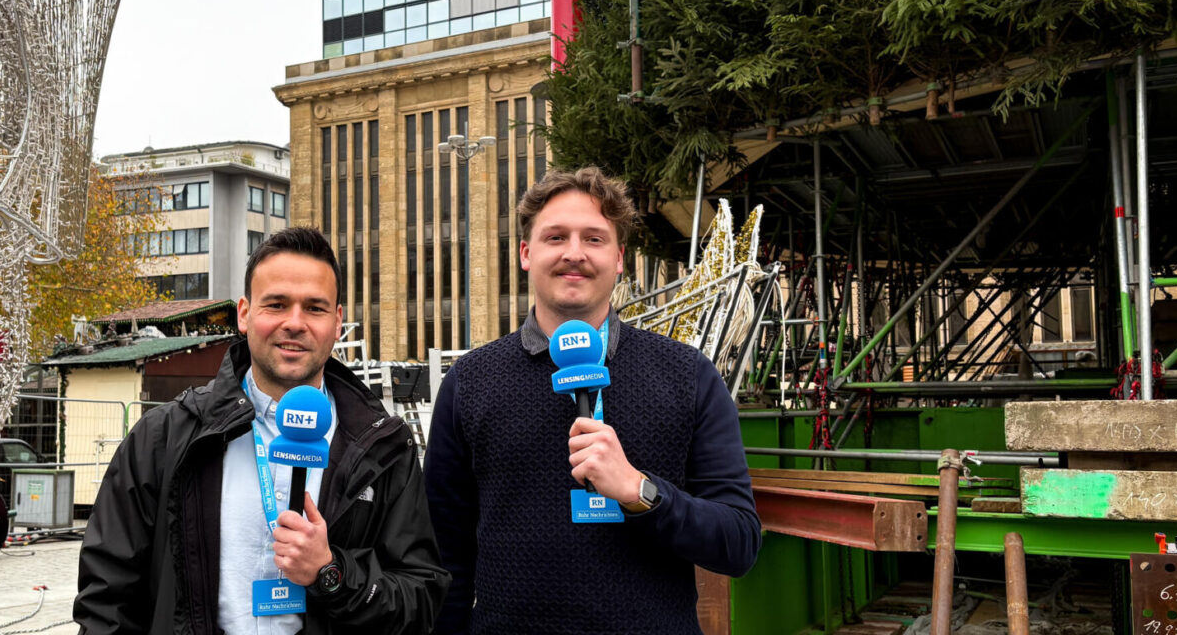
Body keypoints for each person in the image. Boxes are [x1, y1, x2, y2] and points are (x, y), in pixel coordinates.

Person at [424, 167, 761, 635]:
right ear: (526, 253)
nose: (574, 253)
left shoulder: (688, 374)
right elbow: (445, 556)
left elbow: (739, 543)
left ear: (620, 258)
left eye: (595, 239)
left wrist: (641, 492)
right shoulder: (471, 381)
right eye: (556, 237)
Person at [75, 227, 448, 635]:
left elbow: (420, 598)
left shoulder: (385, 446)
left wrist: (331, 572)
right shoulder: (164, 438)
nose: (295, 323)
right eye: (276, 304)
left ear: (337, 322)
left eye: (315, 308)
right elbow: (107, 599)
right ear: (244, 314)